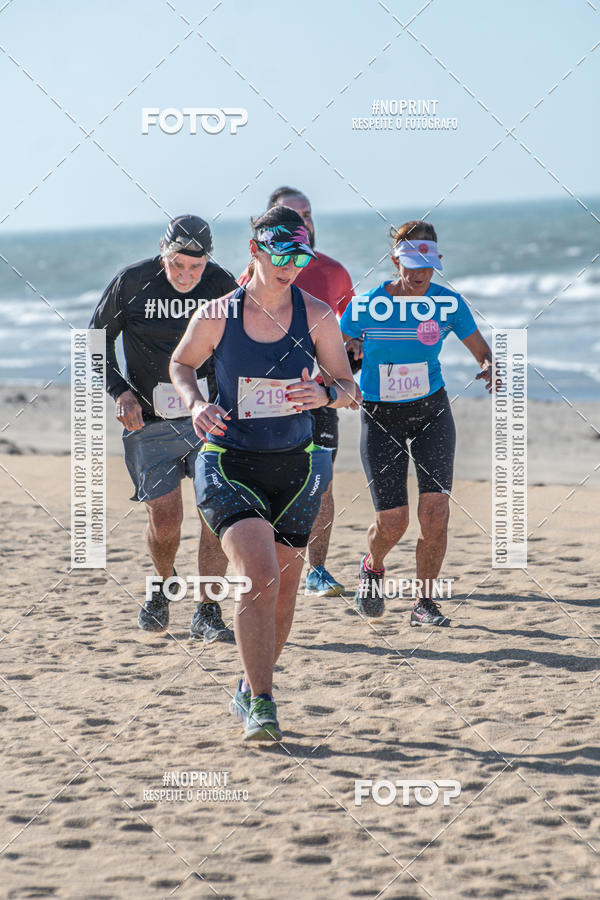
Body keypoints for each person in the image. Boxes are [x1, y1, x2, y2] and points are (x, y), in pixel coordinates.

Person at [170, 205, 356, 741]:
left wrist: (323, 393)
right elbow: (182, 364)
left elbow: (348, 387)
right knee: (258, 574)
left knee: (285, 588)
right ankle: (265, 704)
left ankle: (249, 685)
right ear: (256, 250)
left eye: (301, 255)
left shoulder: (318, 314)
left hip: (296, 469)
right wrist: (194, 402)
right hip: (229, 462)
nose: (292, 265)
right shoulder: (217, 314)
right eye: (282, 254)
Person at [89, 215, 237, 641]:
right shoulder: (131, 282)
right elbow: (94, 343)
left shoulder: (222, 284)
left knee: (216, 515)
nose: (187, 276)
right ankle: (162, 582)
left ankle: (207, 611)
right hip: (149, 422)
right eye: (177, 265)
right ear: (162, 250)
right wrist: (120, 392)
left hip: (209, 417)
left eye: (196, 266)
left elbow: (247, 342)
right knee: (166, 519)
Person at [340, 220, 493, 626]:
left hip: (431, 411)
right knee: (393, 522)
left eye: (427, 264)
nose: (420, 273)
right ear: (395, 261)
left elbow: (481, 349)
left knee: (435, 511)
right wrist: (347, 363)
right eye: (410, 263)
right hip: (380, 416)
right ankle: (372, 565)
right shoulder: (366, 306)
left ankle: (424, 604)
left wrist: (490, 366)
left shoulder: (448, 303)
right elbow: (335, 354)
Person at [239, 186, 355, 598]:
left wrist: (350, 357)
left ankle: (317, 570)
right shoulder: (253, 274)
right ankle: (270, 562)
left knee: (319, 481)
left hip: (317, 394)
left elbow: (351, 329)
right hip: (263, 399)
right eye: (291, 215)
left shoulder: (334, 273)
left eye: (306, 215)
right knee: (266, 482)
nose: (302, 222)